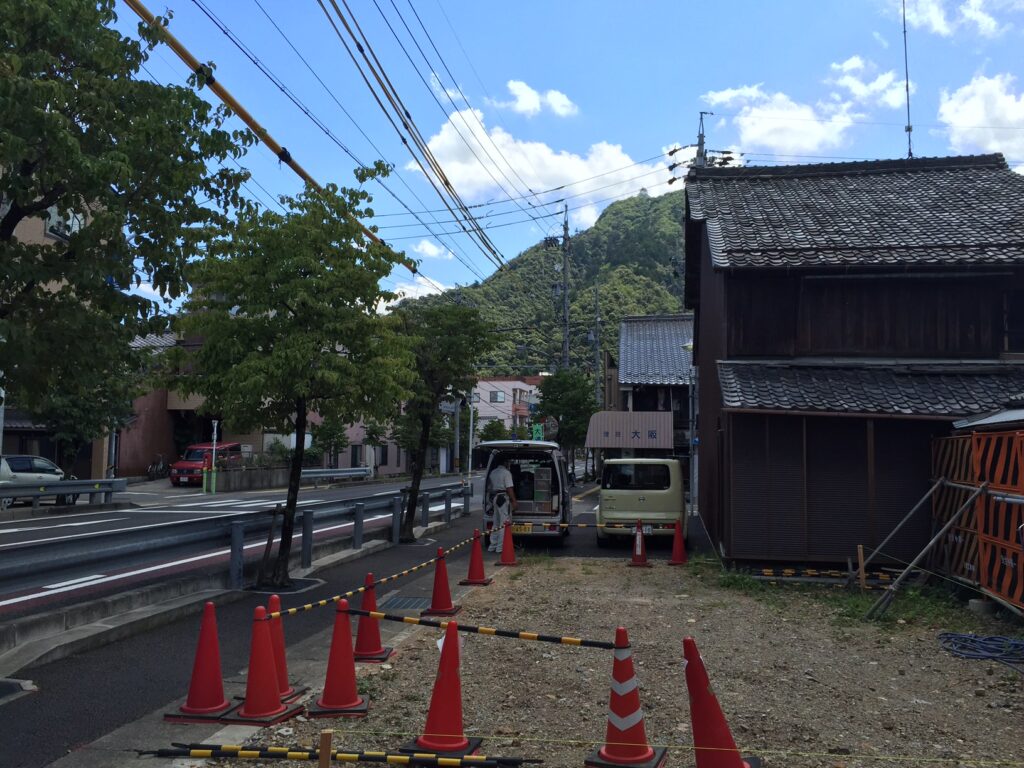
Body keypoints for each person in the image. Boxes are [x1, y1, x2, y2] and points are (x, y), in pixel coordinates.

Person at [487, 457, 517, 552]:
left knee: (495, 523)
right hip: (503, 498)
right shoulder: (506, 473)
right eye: (508, 462)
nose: (509, 464)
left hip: (495, 498)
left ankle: (493, 545)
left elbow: (489, 487)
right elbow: (509, 488)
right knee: (504, 523)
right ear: (505, 462)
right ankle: (500, 547)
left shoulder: (493, 472)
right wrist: (514, 501)